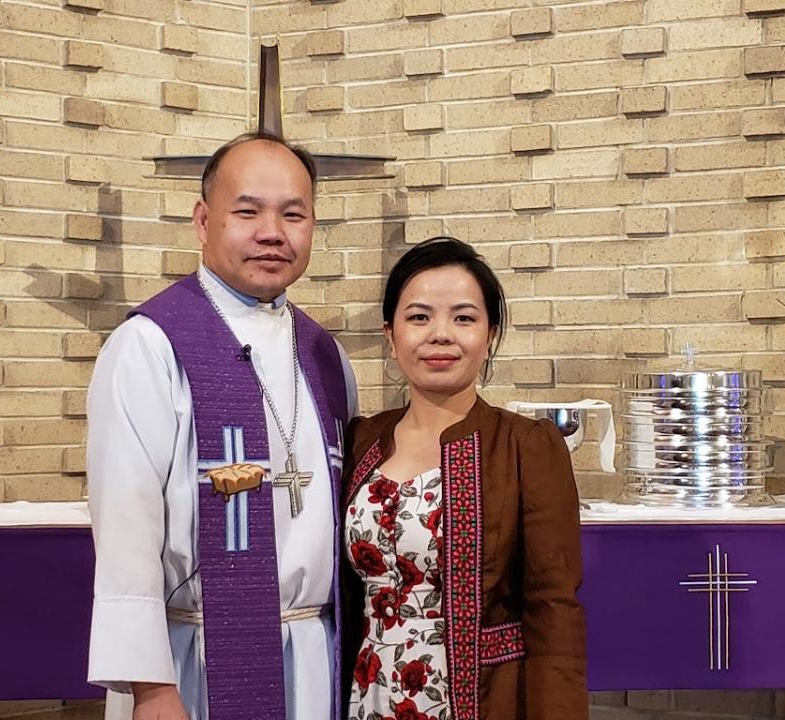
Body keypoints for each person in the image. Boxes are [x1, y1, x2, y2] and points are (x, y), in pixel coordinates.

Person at [86, 132, 357, 720]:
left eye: (293, 214)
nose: (272, 232)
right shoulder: (150, 345)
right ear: (203, 221)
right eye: (247, 211)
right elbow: (125, 526)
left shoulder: (325, 355)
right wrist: (150, 689)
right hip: (193, 663)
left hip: (317, 655)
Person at [341, 238, 587, 720]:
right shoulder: (362, 441)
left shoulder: (524, 447)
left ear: (490, 335)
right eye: (418, 317)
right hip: (368, 692)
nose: (440, 335)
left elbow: (553, 609)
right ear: (390, 336)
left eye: (464, 317)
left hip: (482, 700)